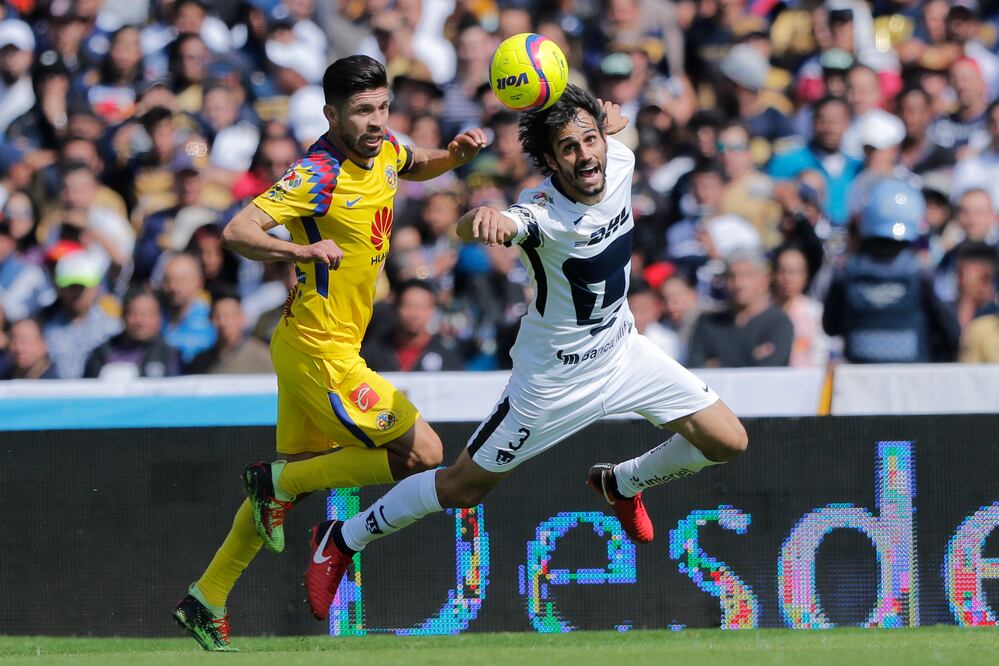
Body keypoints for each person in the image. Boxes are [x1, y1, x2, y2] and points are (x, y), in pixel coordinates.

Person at [300, 86, 747, 624]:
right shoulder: (540, 213)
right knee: (464, 487)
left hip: (625, 351)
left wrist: (607, 124)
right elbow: (481, 226)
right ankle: (341, 537)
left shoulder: (619, 158)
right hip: (553, 382)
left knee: (727, 440)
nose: (585, 156)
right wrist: (481, 219)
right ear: (553, 160)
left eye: (590, 141)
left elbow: (611, 132)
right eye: (569, 148)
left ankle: (621, 481)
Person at [172, 55, 487, 651]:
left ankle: (206, 596)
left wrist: (452, 159)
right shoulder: (316, 172)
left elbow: (412, 162)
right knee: (424, 452)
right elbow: (238, 232)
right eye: (362, 110)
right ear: (331, 113)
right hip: (321, 350)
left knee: (286, 490)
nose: (376, 120)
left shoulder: (386, 147)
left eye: (382, 107)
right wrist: (302, 252)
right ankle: (280, 483)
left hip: (312, 345)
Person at [823, 178, 960, 363]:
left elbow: (830, 326)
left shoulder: (846, 272)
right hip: (911, 382)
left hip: (861, 382)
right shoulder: (920, 273)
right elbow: (950, 331)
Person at [687, 248, 795, 368]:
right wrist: (753, 357)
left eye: (747, 275)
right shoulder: (708, 323)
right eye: (732, 276)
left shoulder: (779, 323)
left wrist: (719, 364)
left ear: (764, 280)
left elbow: (772, 367)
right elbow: (696, 369)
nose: (739, 284)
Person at [361, 279, 464, 372]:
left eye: (421, 307)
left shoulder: (446, 356)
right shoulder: (373, 352)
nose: (414, 314)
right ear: (395, 308)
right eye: (407, 305)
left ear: (432, 310)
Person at [83, 288, 180, 379]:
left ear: (159, 319)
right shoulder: (100, 354)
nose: (141, 321)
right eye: (134, 314)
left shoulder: (169, 356)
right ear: (123, 316)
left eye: (147, 314)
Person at [185, 291, 273, 374]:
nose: (223, 322)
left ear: (242, 318)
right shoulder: (200, 361)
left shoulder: (263, 357)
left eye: (229, 316)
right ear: (210, 319)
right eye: (217, 316)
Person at [160, 253, 216, 366]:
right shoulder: (156, 319)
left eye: (181, 280)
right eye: (168, 280)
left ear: (199, 282)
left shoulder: (213, 320)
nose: (173, 287)